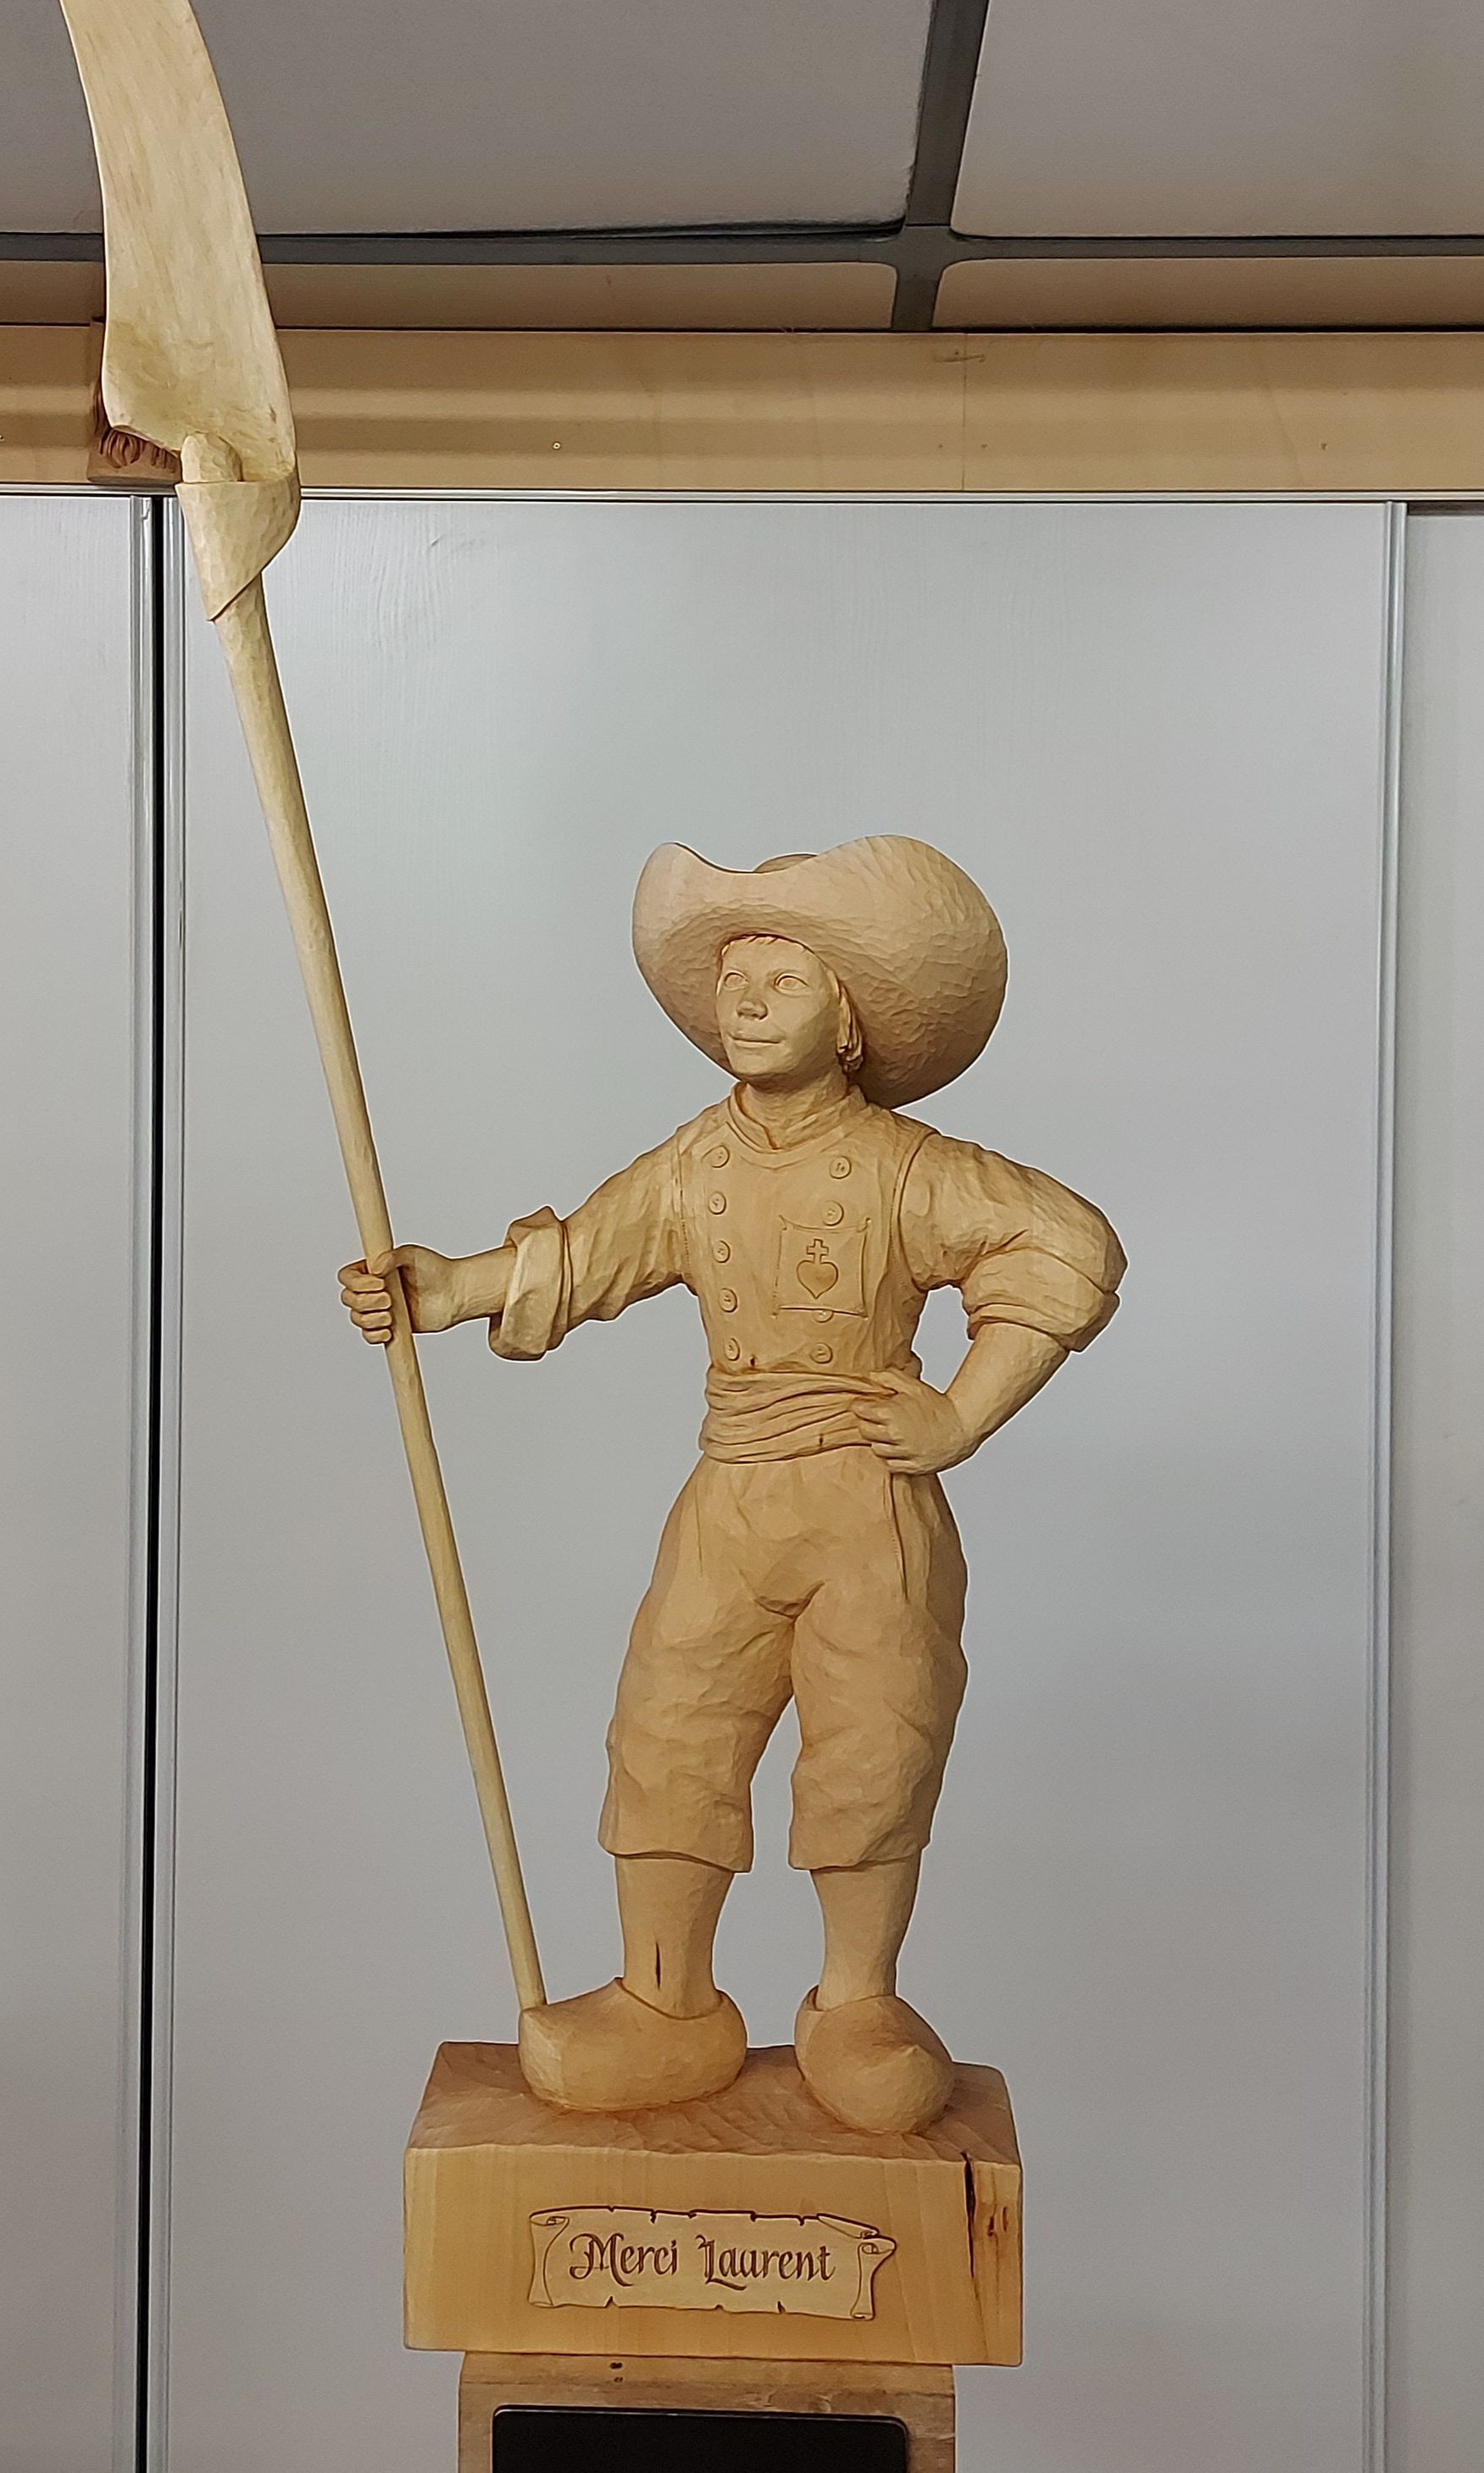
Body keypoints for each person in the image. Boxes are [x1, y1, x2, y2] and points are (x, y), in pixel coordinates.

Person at [341, 837, 1123, 2133]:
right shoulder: (694, 1165)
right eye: (733, 981)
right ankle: (664, 2000)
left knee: (875, 1741)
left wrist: (962, 1413)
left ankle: (858, 2002)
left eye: (784, 980)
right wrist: (447, 1288)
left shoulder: (908, 1169)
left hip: (867, 1505)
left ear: (852, 1021)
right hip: (732, 1496)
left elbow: (1064, 1248)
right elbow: (587, 1255)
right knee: (671, 1726)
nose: (747, 1003)